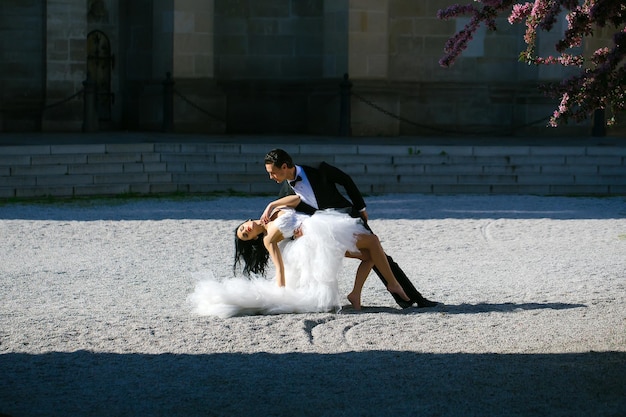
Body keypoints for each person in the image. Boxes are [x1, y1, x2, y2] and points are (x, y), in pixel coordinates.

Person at [263, 148, 438, 308]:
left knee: (381, 256)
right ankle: (403, 297)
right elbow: (290, 217)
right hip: (326, 232)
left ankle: (412, 298)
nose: (271, 177)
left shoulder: (318, 168)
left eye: (272, 173)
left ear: (285, 166)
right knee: (374, 255)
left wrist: (361, 208)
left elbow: (346, 180)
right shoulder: (285, 192)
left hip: (349, 218)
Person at [188, 196, 409, 317]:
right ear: (254, 237)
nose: (246, 230)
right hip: (315, 236)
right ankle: (392, 284)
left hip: (319, 227)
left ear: (247, 221)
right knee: (372, 243)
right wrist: (281, 292)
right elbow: (280, 267)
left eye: (243, 228)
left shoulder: (272, 212)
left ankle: (355, 295)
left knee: (369, 254)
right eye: (246, 235)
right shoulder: (267, 240)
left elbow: (296, 199)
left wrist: (272, 204)